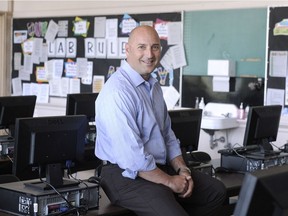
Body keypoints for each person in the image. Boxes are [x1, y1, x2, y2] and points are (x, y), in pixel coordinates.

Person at [95, 25, 226, 216]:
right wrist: (170, 181)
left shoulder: (154, 87)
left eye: (155, 47)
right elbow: (133, 159)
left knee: (216, 192)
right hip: (124, 175)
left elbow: (167, 136)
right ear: (127, 49)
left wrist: (182, 170)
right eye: (141, 47)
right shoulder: (117, 92)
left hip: (156, 167)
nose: (149, 54)